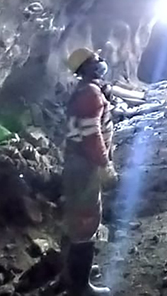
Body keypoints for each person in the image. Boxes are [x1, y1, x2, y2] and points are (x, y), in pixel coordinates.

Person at [62, 47, 117, 295]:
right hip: (84, 164)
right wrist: (104, 165)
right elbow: (91, 135)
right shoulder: (90, 94)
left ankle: (76, 272)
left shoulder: (85, 91)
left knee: (82, 217)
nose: (101, 62)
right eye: (96, 60)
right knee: (85, 219)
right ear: (88, 67)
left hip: (78, 162)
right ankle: (80, 287)